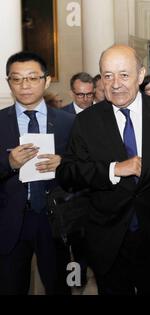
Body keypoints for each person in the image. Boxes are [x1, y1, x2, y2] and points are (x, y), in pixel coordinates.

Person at [56, 45, 150, 295]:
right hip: (108, 239)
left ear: (140, 74)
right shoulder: (86, 121)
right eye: (107, 75)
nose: (115, 84)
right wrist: (114, 169)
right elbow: (68, 174)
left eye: (124, 75)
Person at [0, 51, 75, 294]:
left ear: (46, 80)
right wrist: (8, 163)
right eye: (17, 79)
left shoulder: (68, 122)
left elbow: (82, 168)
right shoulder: (1, 122)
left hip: (54, 220)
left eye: (32, 78)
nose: (25, 85)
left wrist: (63, 164)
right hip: (11, 220)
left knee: (58, 287)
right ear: (8, 82)